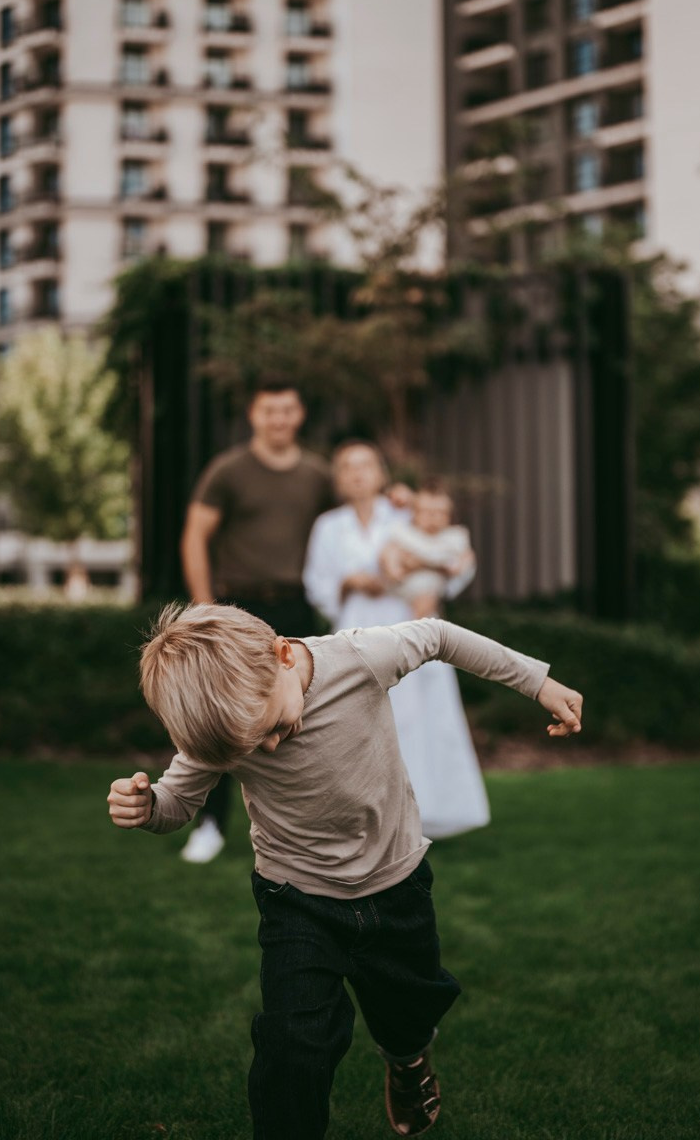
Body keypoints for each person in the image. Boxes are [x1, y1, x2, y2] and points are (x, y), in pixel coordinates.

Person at [107, 601, 583, 1140]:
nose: (265, 748)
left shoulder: (359, 659)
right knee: (293, 1042)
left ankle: (407, 1063)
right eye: (250, 746)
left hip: (394, 882)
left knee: (407, 1014)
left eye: (271, 728)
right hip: (296, 897)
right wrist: (149, 809)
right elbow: (179, 803)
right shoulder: (225, 727)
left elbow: (440, 635)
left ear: (283, 655)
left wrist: (537, 683)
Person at [178, 379, 333, 862]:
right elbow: (194, 537)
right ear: (254, 415)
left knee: (307, 717)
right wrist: (206, 609)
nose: (279, 419)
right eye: (270, 411)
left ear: (299, 414)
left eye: (288, 410)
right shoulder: (228, 471)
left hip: (296, 607)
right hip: (237, 609)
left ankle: (307, 831)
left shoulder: (317, 474)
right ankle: (209, 826)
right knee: (222, 716)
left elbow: (350, 524)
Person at [303, 441, 489, 838]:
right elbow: (316, 582)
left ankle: (427, 811)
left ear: (382, 473)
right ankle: (364, 815)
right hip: (356, 626)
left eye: (366, 465)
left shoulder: (408, 513)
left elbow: (454, 556)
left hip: (408, 621)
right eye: (348, 467)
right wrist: (350, 581)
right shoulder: (329, 526)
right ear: (338, 478)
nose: (357, 474)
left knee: (419, 716)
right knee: (362, 718)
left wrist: (429, 585)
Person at [380, 478, 475, 620]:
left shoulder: (454, 536)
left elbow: (464, 561)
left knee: (427, 614)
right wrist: (393, 567)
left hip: (432, 590)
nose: (433, 518)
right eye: (426, 512)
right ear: (414, 513)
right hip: (405, 589)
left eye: (440, 512)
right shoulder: (405, 533)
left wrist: (457, 566)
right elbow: (389, 552)